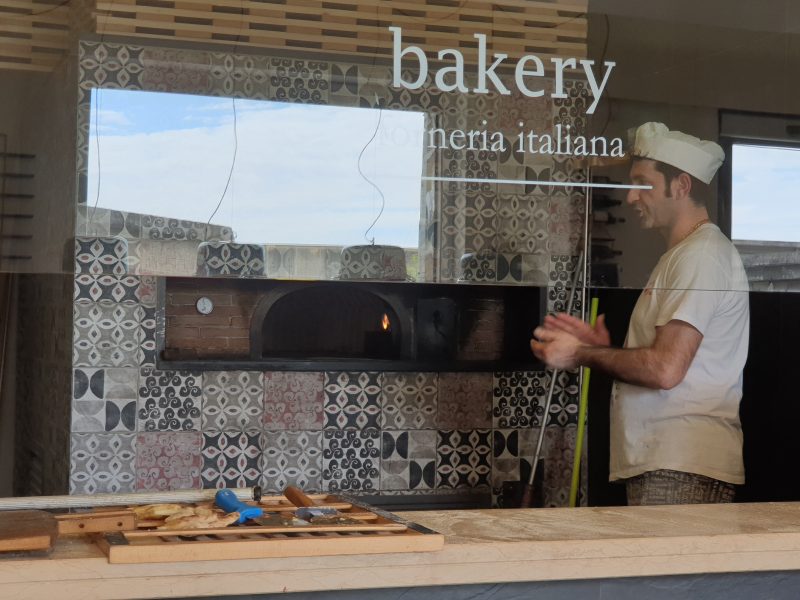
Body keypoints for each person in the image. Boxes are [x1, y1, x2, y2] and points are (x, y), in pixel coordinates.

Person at [530, 122, 750, 506]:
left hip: (681, 464)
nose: (631, 196)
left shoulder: (701, 256)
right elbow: (665, 360)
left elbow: (665, 369)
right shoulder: (683, 255)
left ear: (680, 186)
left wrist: (579, 354)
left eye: (642, 183)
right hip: (667, 462)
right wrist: (604, 349)